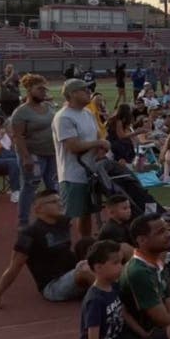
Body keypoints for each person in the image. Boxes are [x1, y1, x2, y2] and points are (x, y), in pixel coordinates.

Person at [71, 239, 169, 339]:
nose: (121, 267)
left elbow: (123, 312)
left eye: (121, 262)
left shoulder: (114, 286)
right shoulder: (95, 300)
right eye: (116, 263)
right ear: (98, 268)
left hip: (117, 338)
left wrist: (143, 334)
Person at [0, 188, 93, 309]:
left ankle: (105, 287)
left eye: (59, 200)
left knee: (90, 244)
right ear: (38, 209)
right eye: (53, 202)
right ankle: (109, 297)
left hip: (71, 273)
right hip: (53, 286)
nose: (59, 204)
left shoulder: (63, 222)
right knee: (85, 269)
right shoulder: (30, 233)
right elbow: (14, 267)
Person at [52, 79, 109, 239]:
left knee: (86, 213)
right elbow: (73, 146)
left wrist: (101, 148)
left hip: (90, 171)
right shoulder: (63, 117)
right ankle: (56, 243)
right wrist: (99, 143)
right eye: (84, 90)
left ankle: (85, 244)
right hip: (72, 174)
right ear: (72, 94)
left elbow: (97, 134)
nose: (88, 92)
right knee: (68, 213)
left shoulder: (88, 113)